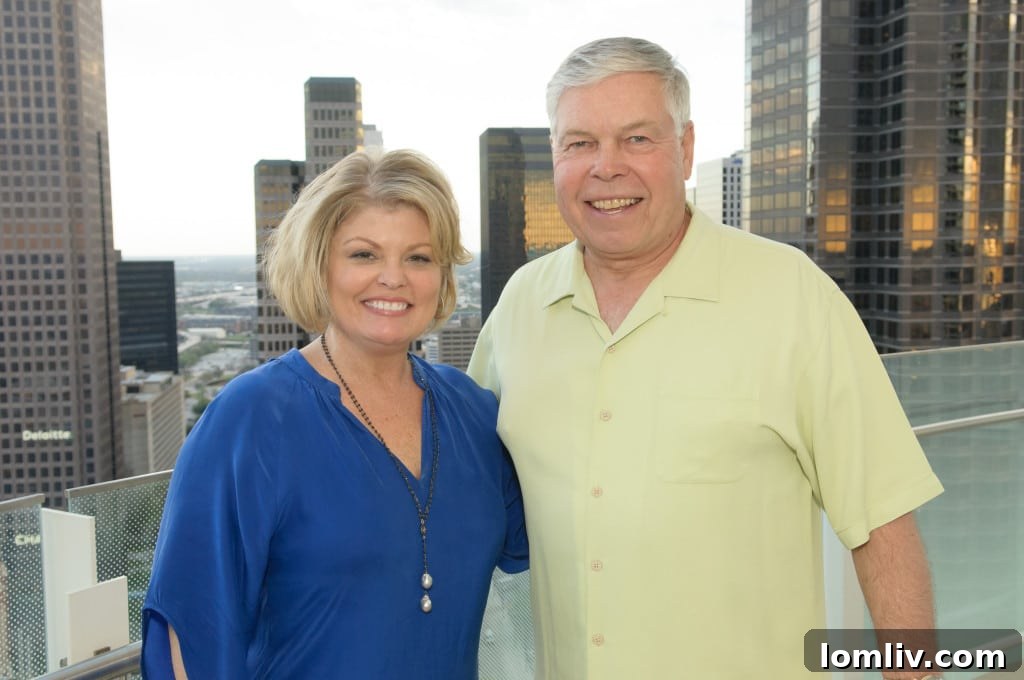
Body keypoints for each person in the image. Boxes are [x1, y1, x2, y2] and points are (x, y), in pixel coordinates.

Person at [468, 37, 944, 679]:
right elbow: (459, 493)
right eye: (580, 143)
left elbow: (882, 527)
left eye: (637, 139)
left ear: (686, 148)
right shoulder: (519, 307)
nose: (606, 168)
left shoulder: (791, 295)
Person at [142, 149, 528, 679]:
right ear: (319, 265)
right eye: (364, 255)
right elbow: (190, 630)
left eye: (418, 257)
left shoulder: (474, 415)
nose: (393, 278)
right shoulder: (252, 420)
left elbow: (567, 537)